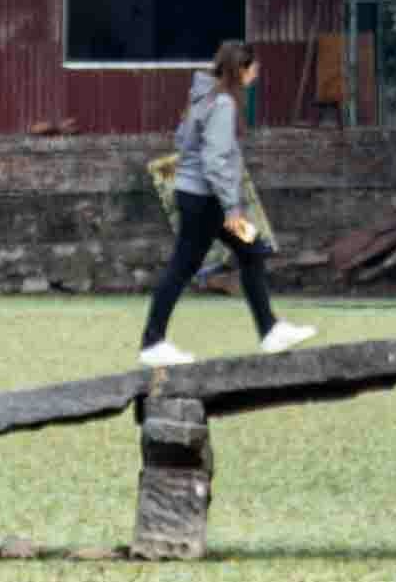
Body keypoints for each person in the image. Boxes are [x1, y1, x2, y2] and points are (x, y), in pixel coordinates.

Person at [136, 39, 320, 373]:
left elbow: (182, 140)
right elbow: (215, 159)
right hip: (210, 202)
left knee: (254, 250)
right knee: (184, 265)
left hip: (198, 197)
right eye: (254, 67)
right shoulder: (222, 104)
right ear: (241, 70)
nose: (258, 72)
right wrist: (233, 208)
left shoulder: (202, 97)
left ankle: (270, 330)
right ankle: (152, 342)